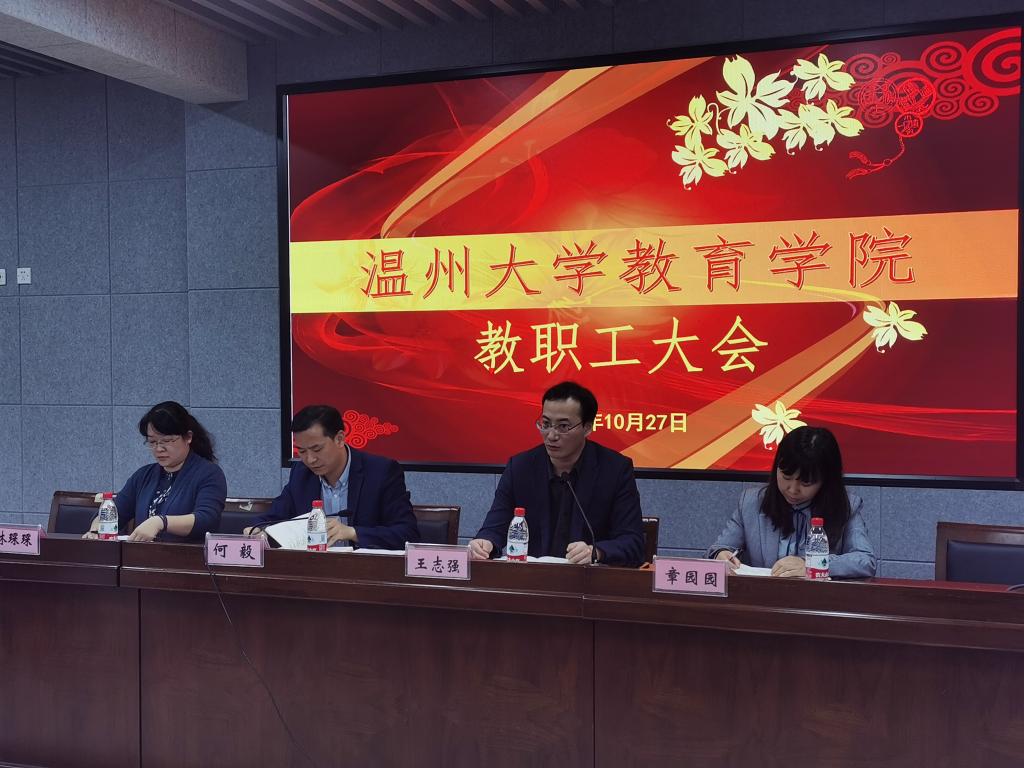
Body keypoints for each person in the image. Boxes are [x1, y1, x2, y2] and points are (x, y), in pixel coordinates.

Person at [470, 381, 645, 567]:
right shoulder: (520, 467)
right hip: (533, 579)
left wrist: (596, 551)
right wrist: (484, 543)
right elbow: (494, 527)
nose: (551, 435)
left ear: (587, 427)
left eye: (563, 427)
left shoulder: (615, 470)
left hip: (590, 579)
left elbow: (633, 543)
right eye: (545, 424)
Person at [707, 426, 876, 578]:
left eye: (806, 483)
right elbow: (718, 548)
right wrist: (720, 554)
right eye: (786, 477)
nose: (793, 489)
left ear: (825, 481)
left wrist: (811, 565)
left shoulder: (845, 506)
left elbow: (865, 561)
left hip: (818, 600)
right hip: (761, 598)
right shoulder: (751, 502)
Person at [245, 404, 418, 549]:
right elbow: (272, 517)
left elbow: (408, 534)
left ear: (340, 439)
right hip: (313, 570)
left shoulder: (381, 472)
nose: (310, 460)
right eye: (302, 451)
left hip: (366, 572)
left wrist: (352, 532)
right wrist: (255, 530)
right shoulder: (301, 474)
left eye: (317, 449)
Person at [83, 401, 225, 542]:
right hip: (144, 555)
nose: (158, 449)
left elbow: (207, 520)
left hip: (187, 555)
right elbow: (115, 511)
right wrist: (95, 530)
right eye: (152, 442)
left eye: (167, 441)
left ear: (188, 437)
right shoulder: (144, 476)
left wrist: (161, 522)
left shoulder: (209, 473)